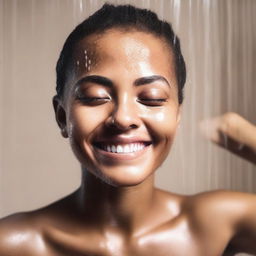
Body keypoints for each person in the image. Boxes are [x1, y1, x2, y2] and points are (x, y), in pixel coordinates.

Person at [0, 3, 255, 256]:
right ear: (62, 115)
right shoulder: (13, 243)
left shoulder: (218, 223)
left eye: (152, 98)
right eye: (95, 96)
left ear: (177, 115)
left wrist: (245, 136)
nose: (123, 118)